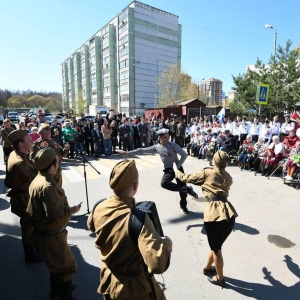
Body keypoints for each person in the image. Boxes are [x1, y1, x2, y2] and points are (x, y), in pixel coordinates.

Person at [87, 159, 172, 299]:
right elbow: (157, 265)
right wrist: (167, 244)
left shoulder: (99, 206)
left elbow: (91, 226)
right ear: (135, 186)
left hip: (109, 281)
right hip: (134, 289)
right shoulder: (138, 218)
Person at [174, 150, 238, 288]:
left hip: (214, 214)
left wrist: (176, 171)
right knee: (217, 245)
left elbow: (186, 178)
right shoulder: (229, 177)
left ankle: (220, 279)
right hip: (229, 214)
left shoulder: (207, 172)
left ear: (214, 161)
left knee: (216, 249)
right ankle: (208, 268)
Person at [26, 148, 82, 299]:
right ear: (51, 167)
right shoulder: (48, 187)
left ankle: (57, 292)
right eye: (57, 162)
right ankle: (64, 295)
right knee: (66, 267)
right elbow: (57, 217)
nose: (58, 165)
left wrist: (71, 209)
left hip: (44, 233)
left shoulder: (39, 178)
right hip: (51, 236)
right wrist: (69, 212)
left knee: (56, 267)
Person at [121, 128, 198, 214]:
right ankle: (187, 189)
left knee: (183, 194)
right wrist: (127, 153)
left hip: (178, 169)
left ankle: (183, 205)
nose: (167, 139)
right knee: (164, 183)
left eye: (167, 137)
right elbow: (142, 150)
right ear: (159, 137)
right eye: (164, 137)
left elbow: (184, 155)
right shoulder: (157, 147)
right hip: (168, 170)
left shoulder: (173, 145)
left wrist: (178, 165)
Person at [5, 129, 43, 264]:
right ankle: (30, 254)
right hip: (23, 198)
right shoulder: (19, 163)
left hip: (25, 195)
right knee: (28, 226)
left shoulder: (18, 154)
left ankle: (37, 248)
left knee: (33, 223)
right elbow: (35, 177)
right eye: (29, 141)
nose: (32, 142)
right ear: (21, 144)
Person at [30, 123, 70, 187]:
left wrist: (65, 149)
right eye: (45, 132)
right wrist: (43, 151)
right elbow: (33, 159)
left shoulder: (53, 141)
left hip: (57, 171)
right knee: (50, 191)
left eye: (49, 132)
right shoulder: (36, 144)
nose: (48, 134)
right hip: (47, 173)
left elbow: (61, 153)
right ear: (40, 133)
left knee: (58, 191)